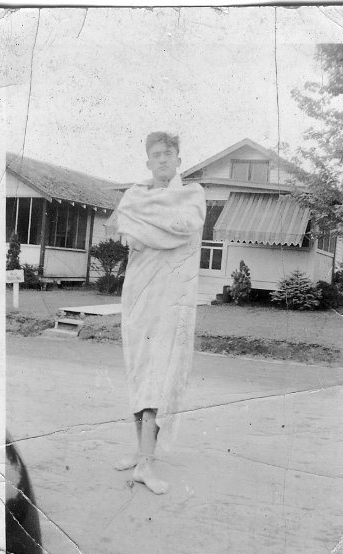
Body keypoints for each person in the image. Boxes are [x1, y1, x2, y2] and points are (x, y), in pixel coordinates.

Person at [114, 132, 206, 494]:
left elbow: (183, 228)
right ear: (148, 161)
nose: (163, 159)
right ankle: (140, 453)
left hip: (172, 297)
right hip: (138, 294)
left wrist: (145, 227)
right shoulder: (135, 195)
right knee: (139, 372)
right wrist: (151, 226)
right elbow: (128, 232)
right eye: (156, 154)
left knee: (158, 375)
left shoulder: (193, 194)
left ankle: (147, 465)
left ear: (178, 160)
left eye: (169, 153)